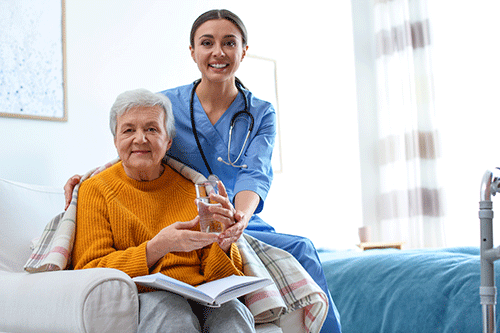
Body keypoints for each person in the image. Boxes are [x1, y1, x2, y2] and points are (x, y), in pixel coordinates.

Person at [65, 9, 341, 333]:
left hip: (237, 213)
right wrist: (90, 177)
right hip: (190, 211)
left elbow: (256, 172)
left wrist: (238, 219)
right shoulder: (167, 103)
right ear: (193, 51)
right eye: (207, 42)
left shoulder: (261, 112)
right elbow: (142, 145)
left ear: (243, 51)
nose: (218, 52)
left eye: (229, 43)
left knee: (303, 248)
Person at [72, 88, 255, 333]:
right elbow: (89, 270)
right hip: (146, 297)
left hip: (201, 294)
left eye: (151, 129)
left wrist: (223, 242)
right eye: (129, 130)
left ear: (168, 141)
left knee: (234, 312)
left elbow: (217, 276)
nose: (140, 139)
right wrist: (158, 247)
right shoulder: (95, 190)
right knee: (170, 310)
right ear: (115, 140)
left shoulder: (194, 189)